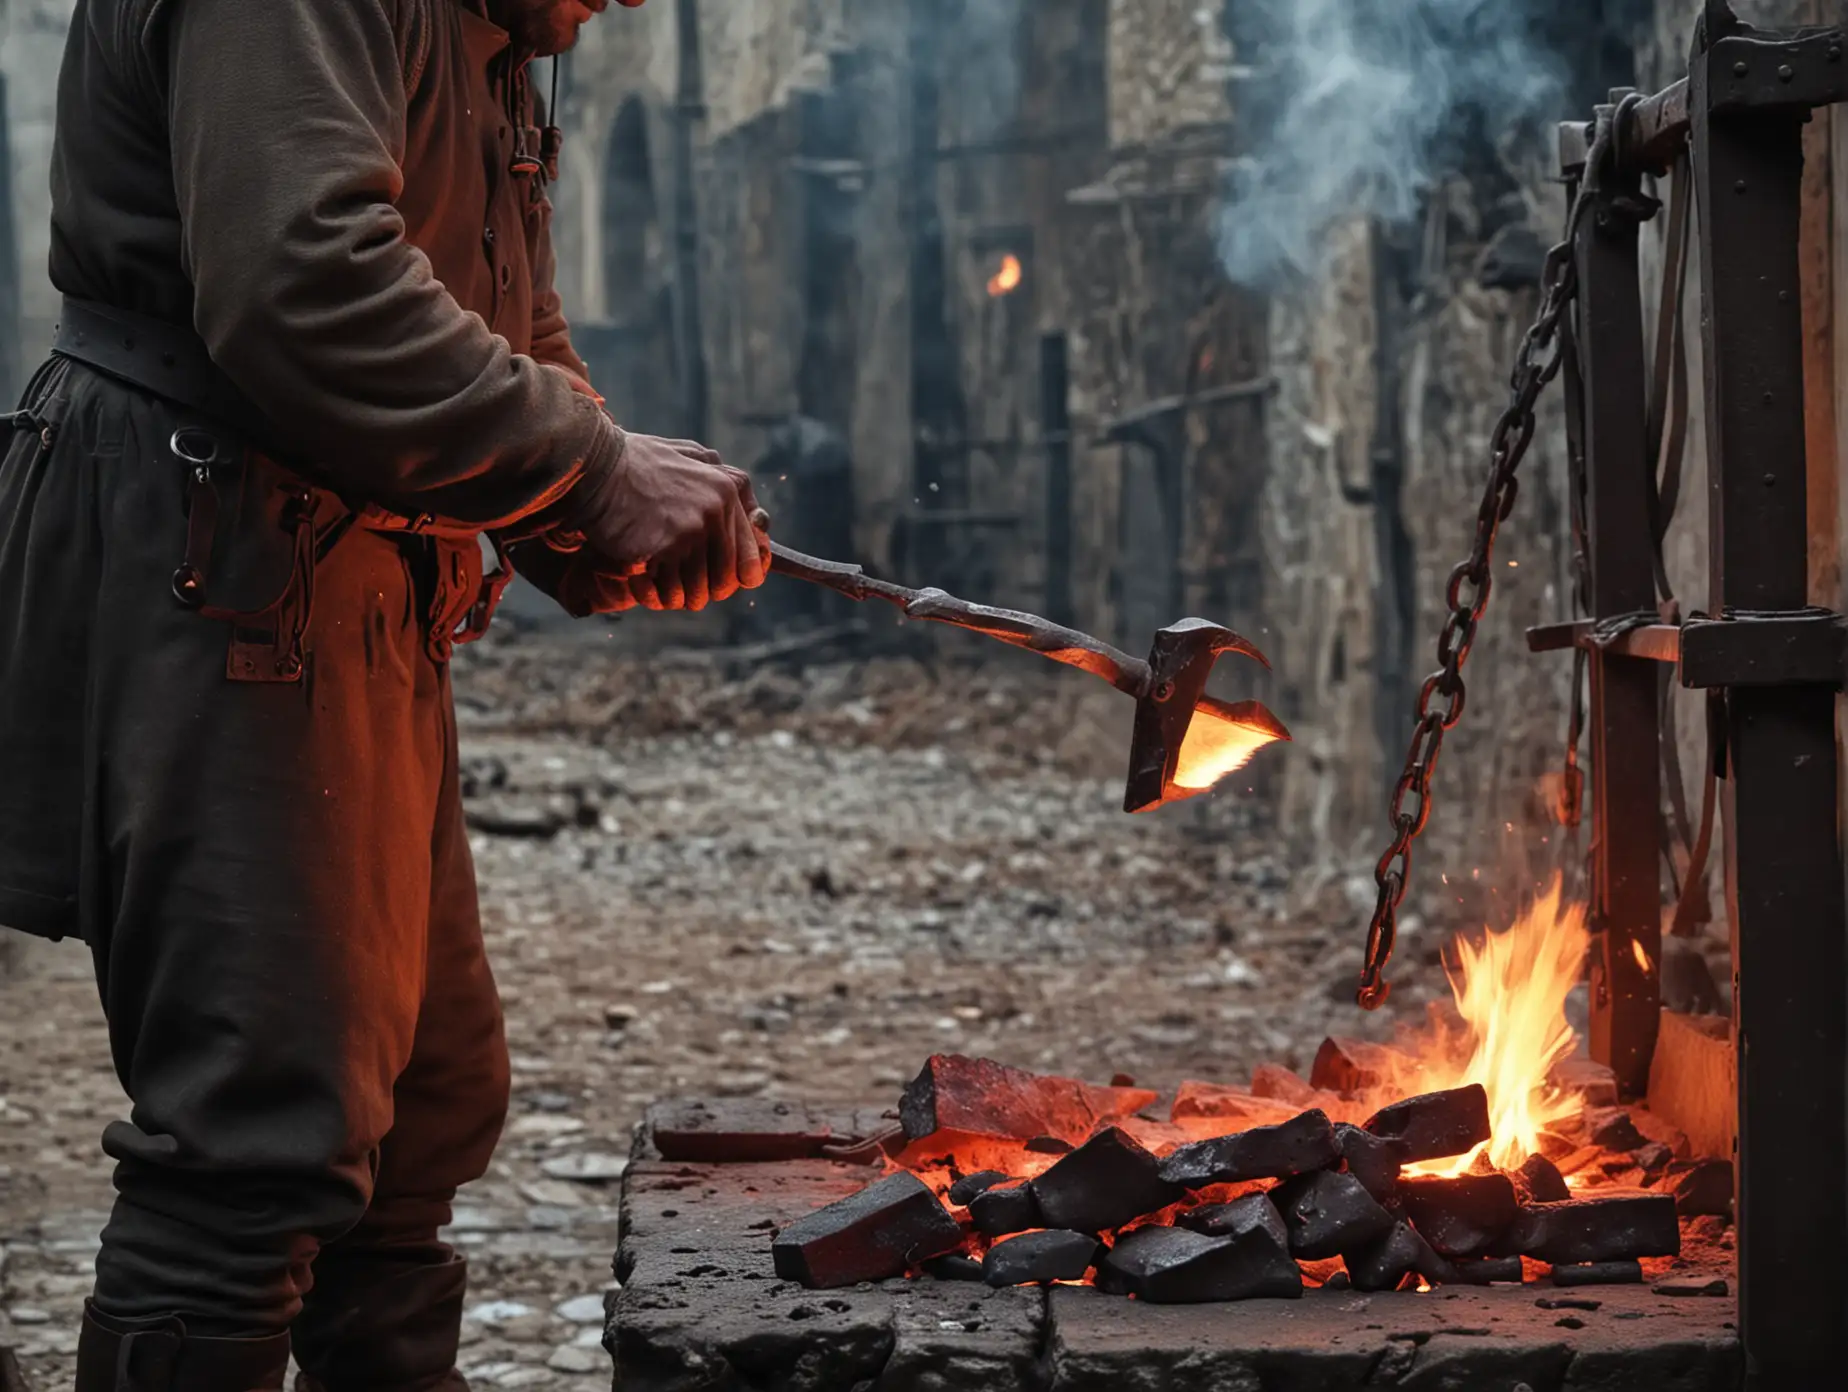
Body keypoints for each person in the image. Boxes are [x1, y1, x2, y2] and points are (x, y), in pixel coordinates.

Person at [0, 2, 760, 1387]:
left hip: (340, 575)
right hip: (217, 557)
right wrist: (590, 472)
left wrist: (579, 513)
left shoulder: (490, 27)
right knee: (258, 1132)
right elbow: (299, 279)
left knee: (417, 1111)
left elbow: (497, 305)